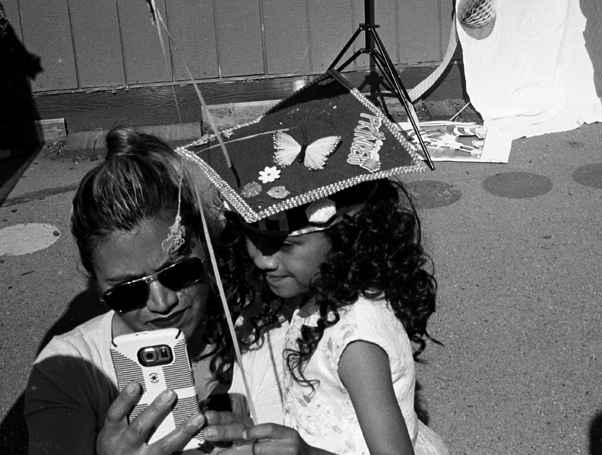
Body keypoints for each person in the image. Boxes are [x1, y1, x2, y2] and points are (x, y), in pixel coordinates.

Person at [176, 69, 445, 455]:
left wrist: (304, 453)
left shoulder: (357, 344)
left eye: (283, 244)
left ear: (346, 237)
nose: (261, 259)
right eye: (253, 238)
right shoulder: (322, 294)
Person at [23, 127, 263, 455]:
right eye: (126, 291)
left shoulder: (264, 328)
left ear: (207, 247)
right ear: (96, 285)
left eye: (180, 272)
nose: (162, 302)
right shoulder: (69, 368)